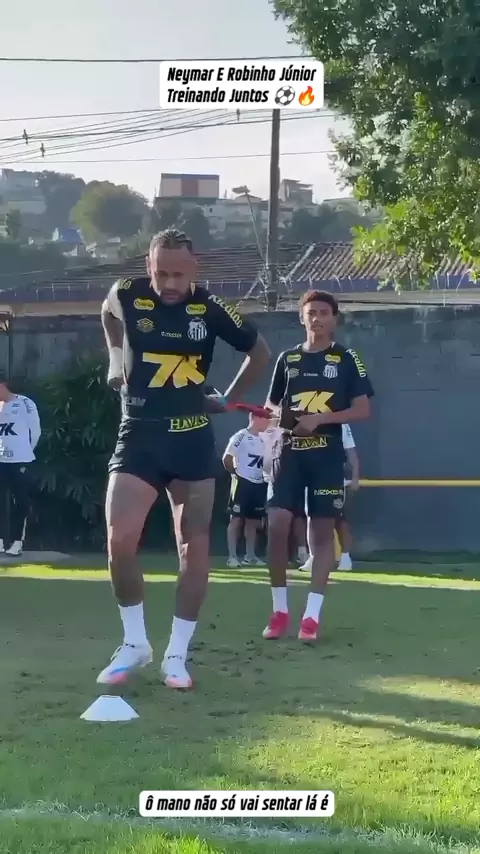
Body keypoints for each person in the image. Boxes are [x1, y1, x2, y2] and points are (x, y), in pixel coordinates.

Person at [98, 228, 270, 690]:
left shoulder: (211, 308)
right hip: (138, 434)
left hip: (192, 439)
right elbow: (107, 312)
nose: (169, 283)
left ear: (195, 268)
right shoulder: (127, 293)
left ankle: (176, 654)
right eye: (161, 273)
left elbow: (259, 352)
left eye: (178, 274)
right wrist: (115, 361)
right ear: (148, 266)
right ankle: (134, 642)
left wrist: (227, 399)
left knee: (193, 547)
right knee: (119, 540)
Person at [263, 290, 374, 642]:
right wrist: (283, 418)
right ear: (301, 317)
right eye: (311, 312)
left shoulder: (347, 359)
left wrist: (320, 419)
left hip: (326, 456)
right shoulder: (287, 359)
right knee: (277, 525)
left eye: (324, 312)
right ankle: (279, 610)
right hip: (288, 453)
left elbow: (362, 410)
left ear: (334, 318)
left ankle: (311, 617)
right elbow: (270, 407)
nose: (317, 318)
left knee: (321, 534)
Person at [299, 422, 360, 573]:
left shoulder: (341, 424)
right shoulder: (306, 421)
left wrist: (355, 476)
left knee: (339, 518)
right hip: (310, 478)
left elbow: (351, 452)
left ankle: (345, 557)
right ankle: (313, 557)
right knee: (311, 517)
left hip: (334, 477)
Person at [0, 372, 41, 556]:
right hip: (1, 460)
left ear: (2, 385)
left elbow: (36, 431)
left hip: (20, 460)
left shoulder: (25, 403)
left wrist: (27, 451)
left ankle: (17, 542)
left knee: (20, 501)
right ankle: (1, 541)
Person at [223, 412, 271, 567]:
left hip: (260, 483)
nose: (268, 422)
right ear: (255, 418)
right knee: (236, 519)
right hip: (242, 482)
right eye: (265, 419)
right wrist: (235, 474)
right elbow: (227, 458)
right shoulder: (241, 436)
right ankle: (232, 556)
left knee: (254, 521)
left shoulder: (266, 439)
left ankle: (250, 556)